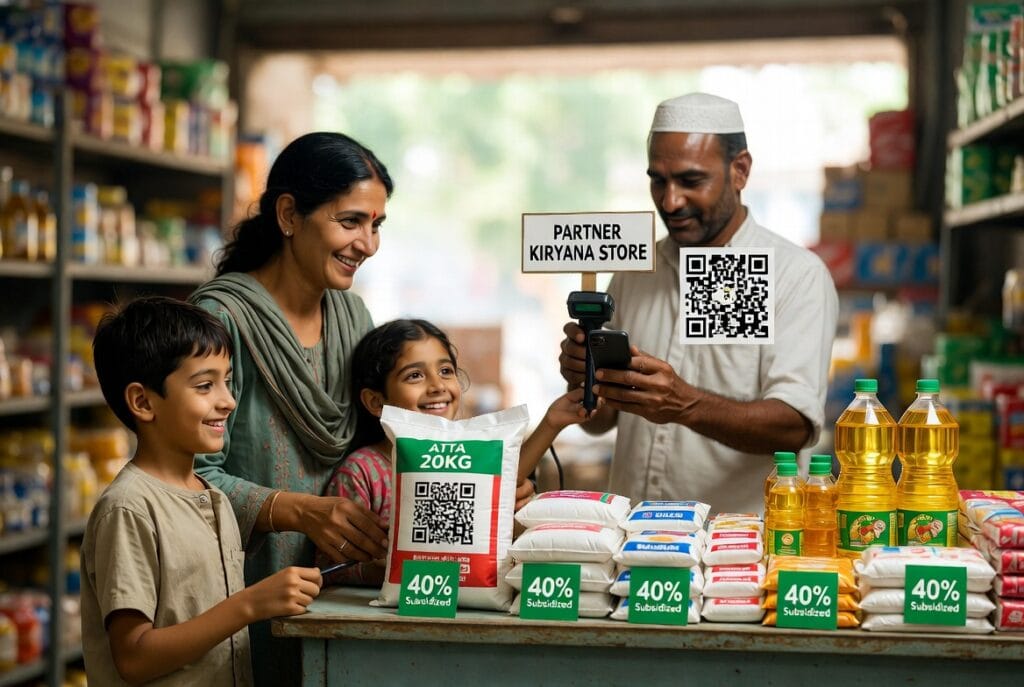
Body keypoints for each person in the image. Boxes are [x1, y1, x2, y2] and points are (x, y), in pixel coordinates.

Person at [559, 93, 838, 515]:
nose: (670, 202)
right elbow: (599, 422)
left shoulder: (794, 275)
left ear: (740, 171)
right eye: (658, 180)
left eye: (691, 181)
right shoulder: (634, 272)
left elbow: (794, 425)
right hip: (636, 542)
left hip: (738, 549)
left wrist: (685, 404)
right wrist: (583, 379)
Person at [188, 132, 392, 684]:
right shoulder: (222, 320)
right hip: (241, 591)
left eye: (376, 226)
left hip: (339, 598)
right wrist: (296, 510)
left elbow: (382, 445)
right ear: (288, 214)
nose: (368, 244)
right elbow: (184, 477)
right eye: (351, 222)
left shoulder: (355, 320)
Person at [81, 296, 322, 687]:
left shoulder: (214, 497)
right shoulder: (128, 508)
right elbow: (134, 657)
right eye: (205, 385)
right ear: (143, 401)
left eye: (226, 381)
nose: (227, 401)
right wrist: (250, 605)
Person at [321, 318, 586, 586]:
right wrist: (396, 570)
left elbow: (506, 477)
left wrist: (552, 422)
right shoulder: (362, 472)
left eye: (446, 371)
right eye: (415, 375)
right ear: (376, 401)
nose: (438, 386)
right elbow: (332, 566)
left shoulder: (465, 452)